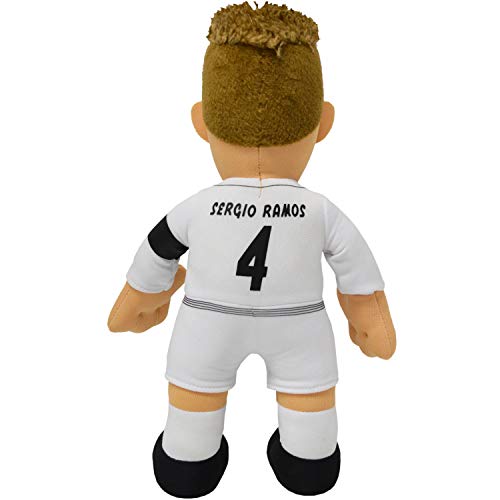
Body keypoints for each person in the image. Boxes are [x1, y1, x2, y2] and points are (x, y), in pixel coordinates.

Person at [108, 3, 396, 497]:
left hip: (208, 320)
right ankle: (308, 461)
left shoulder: (199, 206)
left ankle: (188, 460)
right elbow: (357, 271)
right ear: (322, 123)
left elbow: (157, 251)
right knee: (310, 401)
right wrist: (371, 325)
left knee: (194, 395)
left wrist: (139, 302)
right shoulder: (320, 210)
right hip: (298, 322)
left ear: (202, 121)